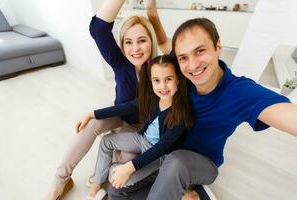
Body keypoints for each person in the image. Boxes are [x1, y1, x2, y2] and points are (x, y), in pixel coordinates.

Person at [108, 15, 297, 200]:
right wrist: (152, 13)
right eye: (183, 57)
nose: (193, 65)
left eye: (200, 51)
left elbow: (287, 115)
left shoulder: (240, 92)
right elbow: (165, 45)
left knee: (176, 162)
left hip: (199, 163)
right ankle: (183, 194)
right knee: (116, 190)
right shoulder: (180, 75)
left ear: (218, 47)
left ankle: (184, 188)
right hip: (168, 154)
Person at [45, 0, 160, 199]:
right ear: (122, 45)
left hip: (145, 128)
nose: (136, 49)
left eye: (142, 40)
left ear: (151, 41)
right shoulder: (120, 63)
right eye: (128, 42)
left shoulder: (160, 69)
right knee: (90, 124)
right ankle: (60, 181)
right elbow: (99, 28)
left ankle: (107, 171)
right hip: (121, 116)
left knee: (127, 159)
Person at [87, 55, 193, 199]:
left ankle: (173, 190)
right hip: (141, 138)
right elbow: (125, 107)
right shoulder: (153, 99)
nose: (162, 86)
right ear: (151, 81)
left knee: (119, 179)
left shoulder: (181, 113)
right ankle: (97, 183)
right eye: (157, 80)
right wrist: (93, 114)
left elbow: (162, 147)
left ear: (178, 80)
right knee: (107, 141)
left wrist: (128, 167)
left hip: (158, 156)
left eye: (168, 79)